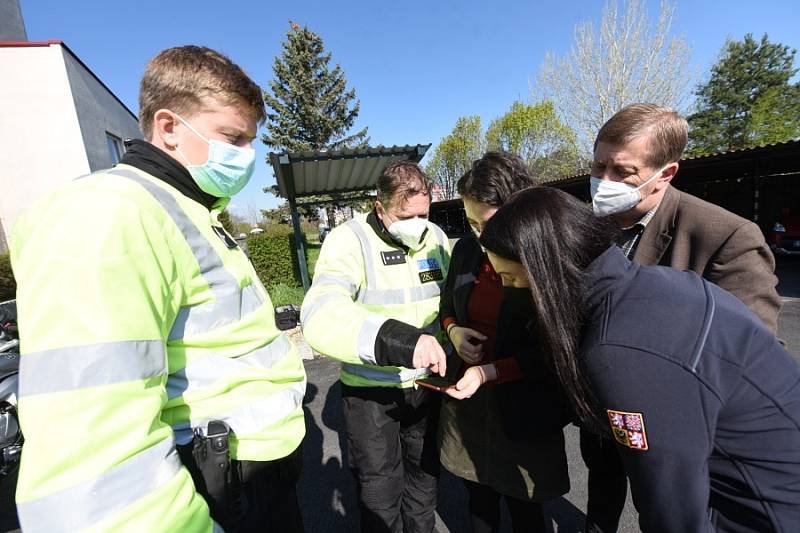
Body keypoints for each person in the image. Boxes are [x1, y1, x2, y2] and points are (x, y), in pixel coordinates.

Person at [9, 46, 307, 532]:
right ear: (169, 128)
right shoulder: (107, 213)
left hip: (250, 477)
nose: (248, 157)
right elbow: (93, 454)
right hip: (215, 491)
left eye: (251, 141)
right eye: (233, 138)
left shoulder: (187, 211)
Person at [479, 186, 800, 532]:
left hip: (760, 515)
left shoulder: (618, 354)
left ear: (550, 273)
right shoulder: (655, 286)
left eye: (512, 278)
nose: (508, 290)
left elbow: (673, 515)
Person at [583, 103, 782, 532]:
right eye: (599, 166)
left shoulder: (726, 236)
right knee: (602, 494)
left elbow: (750, 351)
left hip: (680, 432)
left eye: (623, 171)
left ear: (667, 173)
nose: (605, 182)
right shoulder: (590, 225)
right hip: (604, 415)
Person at [301, 161, 450, 533]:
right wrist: (399, 342)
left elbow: (450, 300)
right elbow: (322, 312)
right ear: (379, 207)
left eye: (424, 213)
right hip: (371, 395)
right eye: (406, 215)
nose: (418, 224)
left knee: (423, 481)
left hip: (427, 386)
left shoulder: (436, 237)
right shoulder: (348, 240)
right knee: (380, 490)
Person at [437, 152, 569, 533]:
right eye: (471, 221)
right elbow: (449, 304)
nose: (480, 233)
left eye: (487, 221)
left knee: (526, 506)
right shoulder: (465, 250)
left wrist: (492, 371)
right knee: (479, 501)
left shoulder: (545, 257)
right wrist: (453, 331)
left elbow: (554, 347)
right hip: (471, 403)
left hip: (523, 402)